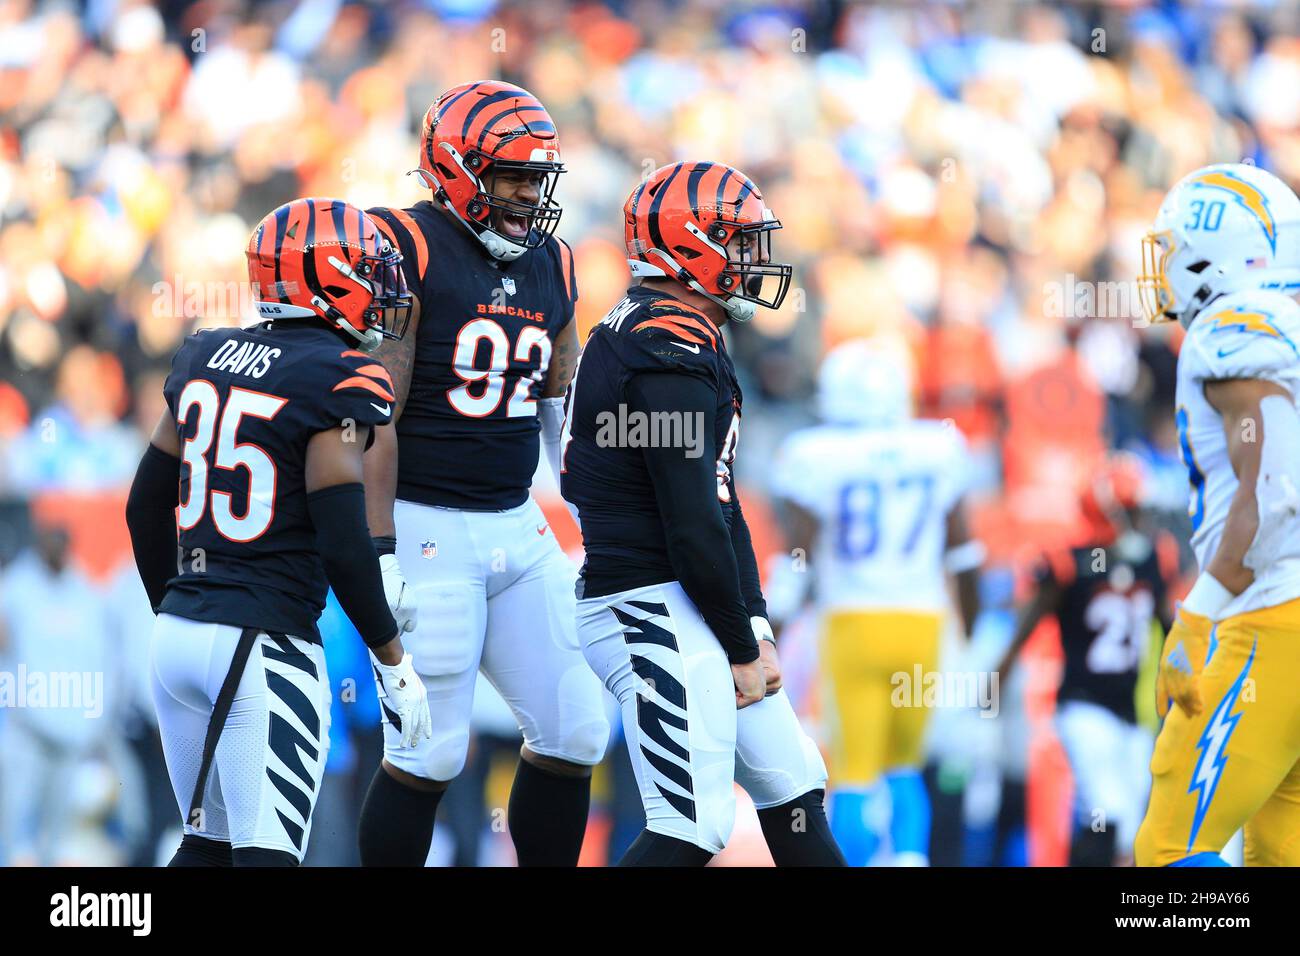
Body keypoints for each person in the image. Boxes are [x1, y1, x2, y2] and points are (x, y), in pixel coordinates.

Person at [124, 198, 432, 867]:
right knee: (264, 857)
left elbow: (144, 505)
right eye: (368, 272)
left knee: (206, 849)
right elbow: (344, 544)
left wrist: (179, 609)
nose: (382, 291)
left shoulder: (206, 352)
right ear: (328, 280)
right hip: (262, 642)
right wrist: (393, 661)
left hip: (180, 636)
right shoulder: (340, 376)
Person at [562, 161, 843, 866]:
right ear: (690, 246)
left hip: (687, 595)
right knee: (691, 823)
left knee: (794, 782)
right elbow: (690, 522)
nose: (756, 260)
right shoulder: (666, 349)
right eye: (740, 242)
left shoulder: (677, 330)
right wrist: (742, 647)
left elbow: (720, 506)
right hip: (647, 598)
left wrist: (752, 625)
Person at [357, 81, 608, 867]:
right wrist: (383, 549)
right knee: (431, 751)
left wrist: (601, 522)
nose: (529, 196)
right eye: (511, 176)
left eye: (538, 179)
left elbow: (563, 408)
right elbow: (376, 414)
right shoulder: (409, 245)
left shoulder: (557, 262)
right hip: (428, 525)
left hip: (515, 520)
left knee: (575, 729)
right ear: (458, 169)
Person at [1132, 162, 1300, 866]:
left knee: (1170, 855)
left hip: (1269, 617)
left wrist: (1198, 611)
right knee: (1274, 854)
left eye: (1172, 250)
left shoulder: (1232, 327)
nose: (1163, 267)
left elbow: (1279, 491)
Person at [770, 340, 982, 865]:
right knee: (906, 763)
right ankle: (910, 857)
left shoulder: (815, 455)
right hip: (923, 625)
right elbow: (965, 555)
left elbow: (801, 553)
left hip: (853, 624)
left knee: (854, 768)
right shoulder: (938, 447)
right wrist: (973, 641)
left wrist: (770, 620)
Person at [996, 453, 1175, 865]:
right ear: (1108, 510)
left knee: (1131, 831)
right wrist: (999, 672)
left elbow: (1170, 630)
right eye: (1132, 511)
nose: (1141, 521)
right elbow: (1030, 620)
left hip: (1131, 714)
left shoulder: (1152, 558)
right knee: (1105, 812)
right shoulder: (1070, 562)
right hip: (1083, 705)